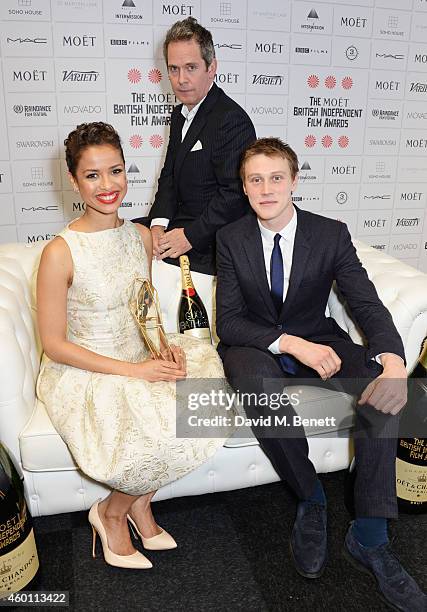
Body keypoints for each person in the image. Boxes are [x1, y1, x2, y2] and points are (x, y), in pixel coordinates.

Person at [215, 137, 426, 611]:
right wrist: (290, 344)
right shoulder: (231, 238)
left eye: (276, 178)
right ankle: (311, 498)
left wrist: (393, 360)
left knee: (384, 391)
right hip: (257, 345)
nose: (266, 189)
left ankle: (369, 537)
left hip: (321, 337)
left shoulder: (330, 234)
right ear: (244, 187)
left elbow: (366, 303)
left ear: (293, 181)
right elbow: (227, 321)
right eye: (255, 179)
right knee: (255, 382)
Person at [35, 122, 235, 570]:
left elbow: (143, 310)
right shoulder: (59, 252)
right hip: (86, 368)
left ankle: (141, 503)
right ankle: (111, 512)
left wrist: (162, 347)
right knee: (157, 422)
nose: (107, 186)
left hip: (139, 355)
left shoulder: (141, 236)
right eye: (93, 175)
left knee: (202, 402)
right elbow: (54, 344)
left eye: (116, 171)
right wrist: (135, 372)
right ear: (73, 180)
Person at [134, 17, 255, 275]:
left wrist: (189, 236)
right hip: (179, 225)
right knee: (120, 237)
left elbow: (234, 194)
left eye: (191, 67)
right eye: (174, 69)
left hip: (212, 238)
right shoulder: (179, 115)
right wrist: (157, 225)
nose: (181, 79)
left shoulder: (231, 119)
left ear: (211, 67)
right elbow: (169, 177)